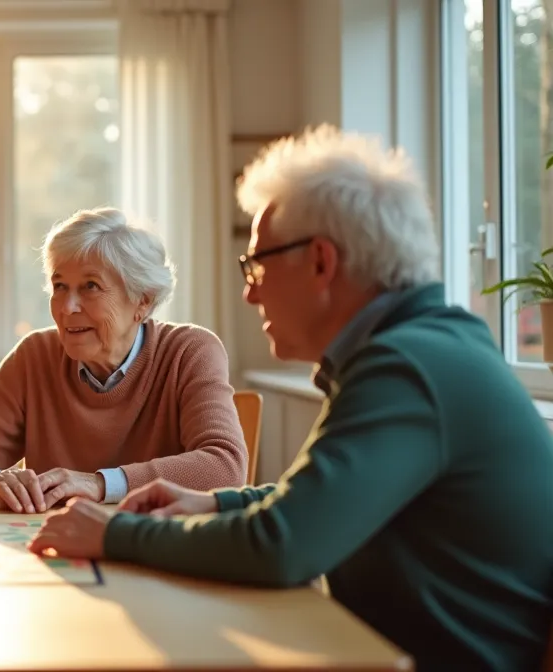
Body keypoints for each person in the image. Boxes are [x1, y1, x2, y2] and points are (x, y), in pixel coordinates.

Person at [30, 127, 553, 671]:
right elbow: (322, 501)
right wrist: (216, 501)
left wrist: (115, 532)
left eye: (257, 265)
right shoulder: (423, 347)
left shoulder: (407, 367)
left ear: (321, 262)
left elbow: (282, 547)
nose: (250, 291)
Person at [0, 207, 247, 513]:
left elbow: (224, 466)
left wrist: (99, 484)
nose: (67, 307)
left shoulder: (190, 352)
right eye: (60, 286)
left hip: (156, 550)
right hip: (58, 552)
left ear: (142, 301)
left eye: (90, 286)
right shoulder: (35, 356)